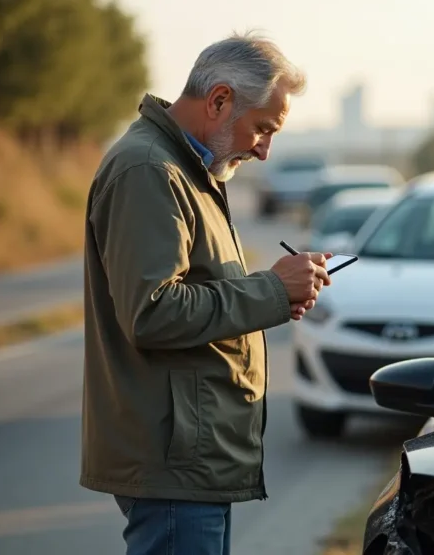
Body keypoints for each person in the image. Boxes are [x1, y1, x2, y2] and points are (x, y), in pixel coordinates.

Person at [80, 32, 329, 555]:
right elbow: (153, 312)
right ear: (218, 101)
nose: (264, 150)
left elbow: (194, 290)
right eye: (262, 128)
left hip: (193, 459)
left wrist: (280, 289)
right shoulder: (150, 169)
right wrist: (270, 290)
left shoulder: (189, 170)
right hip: (178, 463)